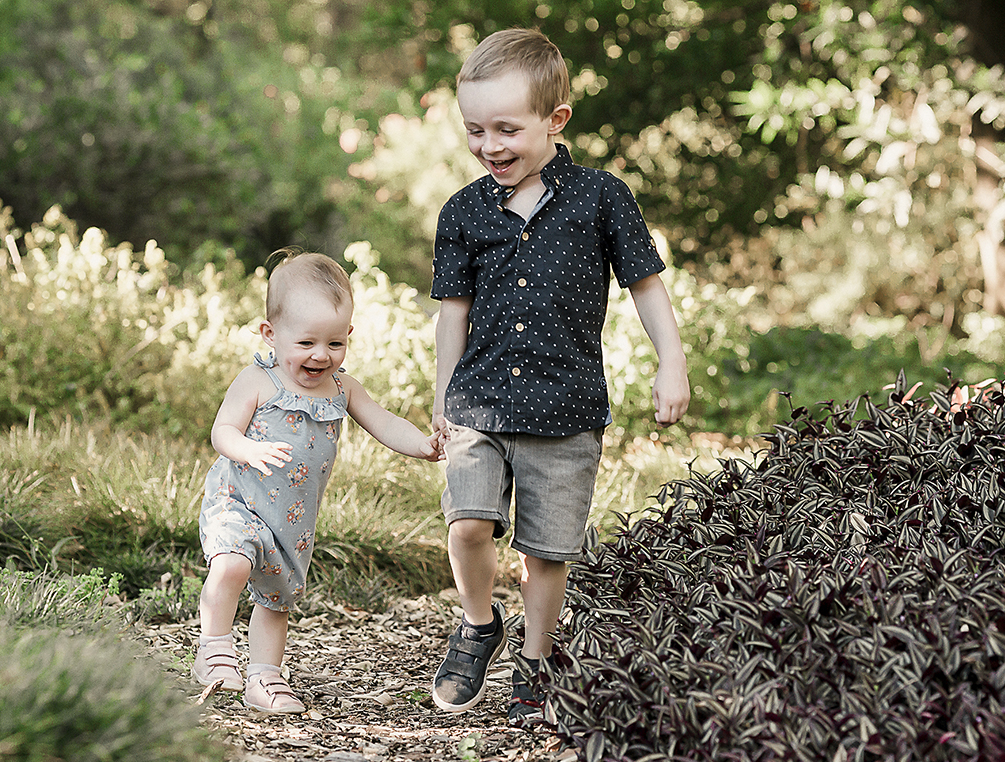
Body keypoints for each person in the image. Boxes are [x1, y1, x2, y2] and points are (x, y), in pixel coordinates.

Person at [429, 28, 690, 724]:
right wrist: (441, 401)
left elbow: (646, 287)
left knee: (546, 552)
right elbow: (451, 316)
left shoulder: (602, 200)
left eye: (507, 129)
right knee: (467, 526)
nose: (490, 146)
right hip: (477, 406)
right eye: (475, 130)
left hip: (565, 410)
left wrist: (673, 361)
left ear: (556, 121)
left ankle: (537, 659)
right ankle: (479, 625)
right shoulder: (462, 211)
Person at [193, 249, 442, 714]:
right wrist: (248, 449)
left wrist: (423, 445)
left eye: (334, 343)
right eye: (306, 342)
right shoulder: (258, 380)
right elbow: (221, 430)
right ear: (271, 334)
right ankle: (213, 645)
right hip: (239, 499)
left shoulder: (344, 389)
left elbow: (384, 422)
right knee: (231, 564)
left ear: (348, 336)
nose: (320, 355)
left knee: (275, 600)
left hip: (290, 521)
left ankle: (265, 678)